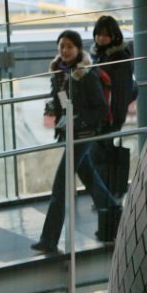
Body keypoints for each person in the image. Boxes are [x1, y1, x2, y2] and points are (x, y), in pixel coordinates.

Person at [30, 30, 120, 253]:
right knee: (89, 177)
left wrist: (78, 120)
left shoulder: (85, 74)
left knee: (60, 185)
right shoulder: (60, 73)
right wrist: (54, 110)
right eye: (62, 46)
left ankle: (49, 240)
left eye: (69, 46)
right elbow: (60, 100)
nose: (65, 50)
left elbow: (100, 108)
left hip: (83, 135)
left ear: (78, 49)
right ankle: (115, 213)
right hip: (69, 134)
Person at [90, 15, 136, 196]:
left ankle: (109, 194)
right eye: (98, 34)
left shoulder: (119, 59)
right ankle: (105, 193)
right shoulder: (97, 56)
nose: (101, 38)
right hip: (100, 114)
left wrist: (116, 119)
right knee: (98, 153)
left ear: (114, 36)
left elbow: (121, 92)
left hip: (110, 115)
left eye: (105, 35)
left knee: (103, 154)